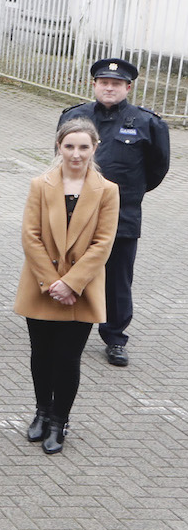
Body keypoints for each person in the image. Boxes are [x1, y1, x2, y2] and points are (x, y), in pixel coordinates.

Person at [13, 118, 119, 454]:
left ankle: (60, 420)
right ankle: (42, 412)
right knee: (41, 354)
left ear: (94, 148)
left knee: (68, 358)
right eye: (69, 146)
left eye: (83, 147)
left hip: (82, 289)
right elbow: (30, 236)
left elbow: (103, 243)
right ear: (59, 146)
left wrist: (71, 283)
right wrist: (51, 282)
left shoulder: (108, 190)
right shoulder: (40, 185)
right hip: (41, 284)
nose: (76, 153)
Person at [58, 58, 170, 368]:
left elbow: (157, 168)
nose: (109, 87)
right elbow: (62, 157)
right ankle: (68, 325)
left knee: (118, 278)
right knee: (73, 267)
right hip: (75, 210)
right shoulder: (75, 116)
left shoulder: (148, 123)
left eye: (117, 83)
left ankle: (116, 337)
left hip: (122, 214)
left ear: (128, 87)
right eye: (104, 82)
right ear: (93, 84)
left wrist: (130, 195)